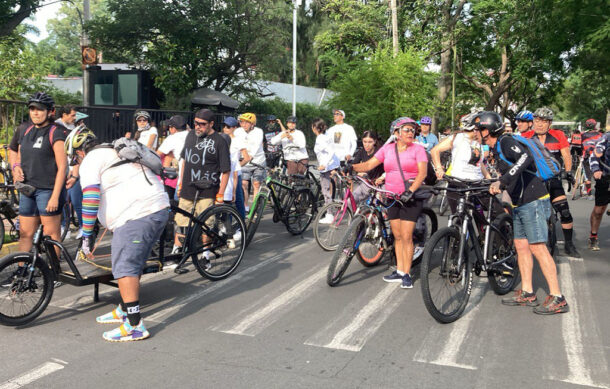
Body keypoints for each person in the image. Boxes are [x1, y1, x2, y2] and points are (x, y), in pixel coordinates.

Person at [66, 128, 169, 341]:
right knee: (132, 263)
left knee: (124, 268)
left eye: (74, 157)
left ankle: (135, 325)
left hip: (137, 215)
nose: (75, 162)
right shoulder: (113, 151)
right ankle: (124, 309)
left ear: (80, 152)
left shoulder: (90, 160)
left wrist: (86, 234)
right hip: (155, 209)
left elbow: (91, 196)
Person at [478, 111, 568, 315]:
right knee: (521, 246)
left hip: (534, 199)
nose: (477, 133)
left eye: (479, 129)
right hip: (520, 202)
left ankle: (558, 297)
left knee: (538, 248)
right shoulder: (495, 147)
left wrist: (503, 181)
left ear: (488, 130)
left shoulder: (506, 141)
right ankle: (528, 292)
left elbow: (525, 158)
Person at [352, 117, 428, 289]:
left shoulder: (418, 150)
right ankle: (400, 271)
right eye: (406, 129)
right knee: (398, 236)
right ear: (396, 133)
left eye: (412, 130)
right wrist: (351, 167)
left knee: (407, 236)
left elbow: (422, 173)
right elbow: (370, 164)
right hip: (392, 197)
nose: (410, 133)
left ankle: (406, 274)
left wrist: (411, 191)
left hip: (410, 198)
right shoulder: (387, 149)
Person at [10, 92, 67, 253]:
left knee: (51, 234)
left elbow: (62, 166)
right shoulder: (24, 129)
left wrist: (55, 196)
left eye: (40, 109)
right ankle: (22, 270)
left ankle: (53, 271)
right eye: (32, 109)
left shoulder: (56, 131)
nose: (35, 112)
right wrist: (15, 167)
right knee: (25, 233)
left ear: (50, 112)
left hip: (48, 190)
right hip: (27, 189)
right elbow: (13, 150)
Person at [521, 107, 579, 256]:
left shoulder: (558, 135)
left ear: (550, 123)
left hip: (553, 180)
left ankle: (569, 244)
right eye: (537, 120)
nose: (540, 124)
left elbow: (566, 155)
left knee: (565, 212)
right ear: (533, 121)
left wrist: (568, 172)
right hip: (533, 181)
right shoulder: (525, 136)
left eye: (544, 121)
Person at [175, 109, 231, 256]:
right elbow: (185, 160)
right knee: (181, 222)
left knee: (207, 224)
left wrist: (220, 194)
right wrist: (180, 183)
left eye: (202, 124)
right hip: (188, 187)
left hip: (208, 189)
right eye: (195, 123)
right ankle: (178, 252)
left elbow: (226, 171)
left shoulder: (220, 142)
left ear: (211, 124)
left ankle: (205, 255)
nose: (198, 127)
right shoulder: (191, 135)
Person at [311, 118, 340, 224]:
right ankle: (330, 211)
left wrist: (324, 164)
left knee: (326, 191)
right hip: (331, 165)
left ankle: (329, 214)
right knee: (328, 190)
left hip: (327, 167)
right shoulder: (324, 136)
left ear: (314, 128)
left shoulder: (320, 139)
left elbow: (331, 151)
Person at [222, 116, 250, 221]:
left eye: (228, 127)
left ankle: (240, 225)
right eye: (224, 126)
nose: (225, 128)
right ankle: (225, 224)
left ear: (234, 128)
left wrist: (237, 167)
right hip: (222, 173)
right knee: (223, 199)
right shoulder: (220, 138)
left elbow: (247, 158)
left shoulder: (238, 141)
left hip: (234, 174)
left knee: (237, 199)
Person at [237, 113, 266, 211]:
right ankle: (245, 206)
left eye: (246, 122)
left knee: (256, 184)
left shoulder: (259, 132)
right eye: (241, 122)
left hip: (258, 161)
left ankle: (254, 208)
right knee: (244, 184)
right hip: (245, 162)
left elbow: (256, 147)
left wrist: (248, 157)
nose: (243, 124)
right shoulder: (238, 132)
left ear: (252, 123)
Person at [157, 115, 189, 200]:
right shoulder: (192, 135)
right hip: (197, 174)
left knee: (178, 204)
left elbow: (157, 155)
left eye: (169, 127)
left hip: (183, 176)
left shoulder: (173, 137)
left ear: (173, 128)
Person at [587, 131, 610, 251]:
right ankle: (593, 236)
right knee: (599, 210)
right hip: (606, 176)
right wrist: (596, 170)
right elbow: (594, 155)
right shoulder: (606, 137)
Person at [350, 131, 384, 202]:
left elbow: (372, 167)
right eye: (364, 142)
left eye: (370, 142)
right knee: (350, 200)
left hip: (379, 184)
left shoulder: (379, 152)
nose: (366, 145)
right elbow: (354, 164)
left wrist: (363, 172)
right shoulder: (362, 151)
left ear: (374, 141)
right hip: (367, 183)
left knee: (376, 206)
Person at [581, 119, 603, 196]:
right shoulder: (600, 135)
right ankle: (600, 191)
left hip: (587, 157)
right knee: (598, 174)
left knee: (587, 176)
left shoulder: (583, 135)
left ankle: (589, 192)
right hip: (598, 157)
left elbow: (581, 145)